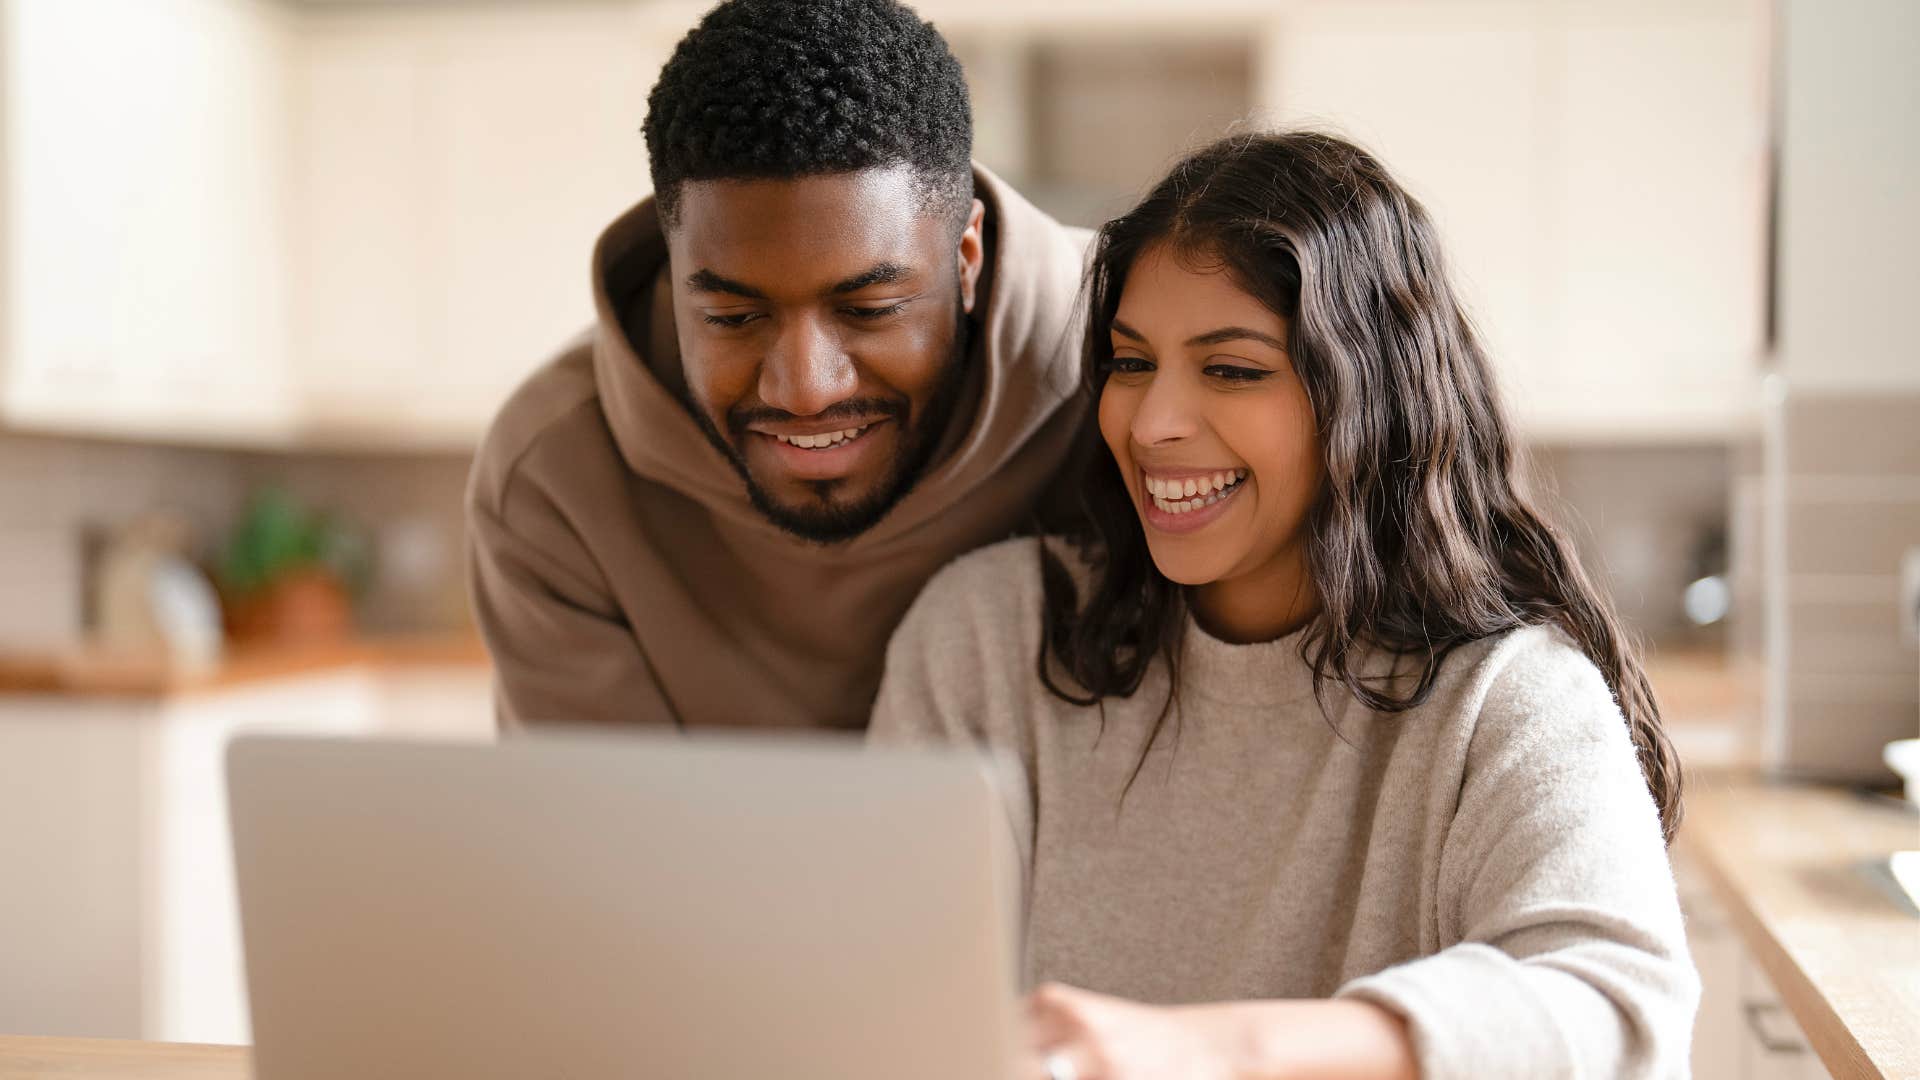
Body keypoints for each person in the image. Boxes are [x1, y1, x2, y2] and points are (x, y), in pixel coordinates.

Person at [871, 131, 1699, 1080]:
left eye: (1233, 370)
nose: (1152, 423)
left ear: (1369, 397)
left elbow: (1621, 1019)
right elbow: (873, 1003)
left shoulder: (1506, 698)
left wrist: (1211, 1047)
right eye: (1132, 362)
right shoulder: (989, 636)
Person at [466, 0, 1089, 730]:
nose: (804, 389)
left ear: (967, 258)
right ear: (673, 276)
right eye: (733, 318)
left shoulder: (1138, 368)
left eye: (869, 309)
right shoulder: (552, 478)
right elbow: (609, 840)